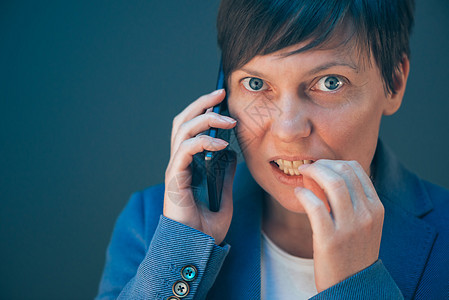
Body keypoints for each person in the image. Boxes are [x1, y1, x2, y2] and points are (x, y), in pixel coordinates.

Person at [96, 0, 449, 299]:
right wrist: (182, 249)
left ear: (395, 83)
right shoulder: (152, 223)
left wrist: (357, 285)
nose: (288, 130)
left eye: (330, 83)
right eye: (255, 83)